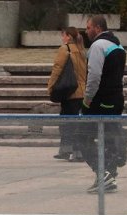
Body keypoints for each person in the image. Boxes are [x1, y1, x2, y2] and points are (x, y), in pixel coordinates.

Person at [79, 15, 127, 194]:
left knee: (81, 135)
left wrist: (87, 100)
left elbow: (94, 77)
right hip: (115, 100)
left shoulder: (98, 46)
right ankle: (109, 176)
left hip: (100, 101)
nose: (86, 30)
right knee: (108, 137)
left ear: (98, 28)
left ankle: (103, 174)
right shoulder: (118, 46)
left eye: (89, 27)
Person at [47, 27, 87, 162]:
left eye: (63, 35)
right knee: (76, 123)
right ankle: (75, 151)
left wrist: (51, 86)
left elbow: (57, 68)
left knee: (66, 122)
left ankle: (68, 150)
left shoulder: (65, 49)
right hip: (82, 90)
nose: (62, 38)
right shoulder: (81, 50)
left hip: (70, 91)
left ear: (69, 36)